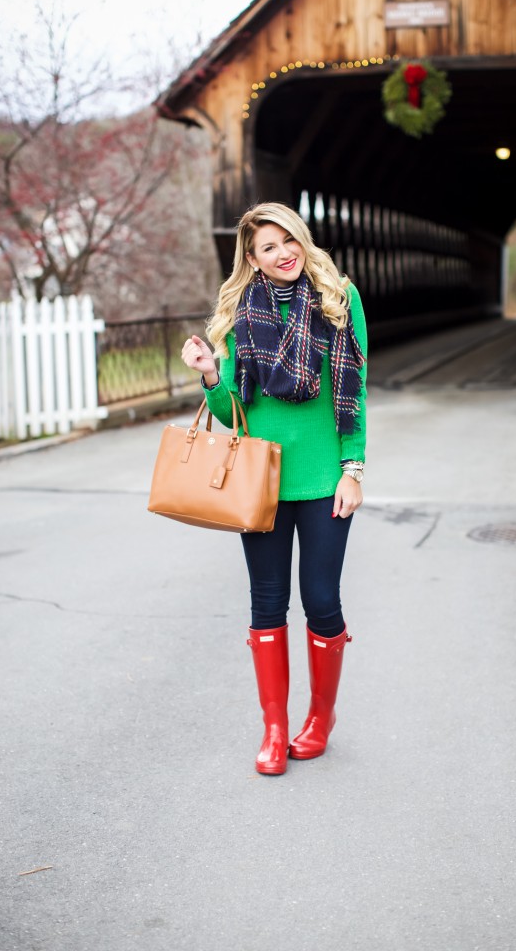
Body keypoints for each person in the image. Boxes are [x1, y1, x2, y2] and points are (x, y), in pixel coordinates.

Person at [181, 202, 367, 776]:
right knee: (266, 601)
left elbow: (354, 391)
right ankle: (274, 727)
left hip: (322, 479)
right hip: (258, 480)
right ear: (253, 259)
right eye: (267, 246)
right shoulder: (239, 310)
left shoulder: (340, 298)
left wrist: (352, 469)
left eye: (288, 240)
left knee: (321, 600)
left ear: (301, 240)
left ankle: (320, 718)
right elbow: (231, 408)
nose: (282, 252)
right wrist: (211, 373)